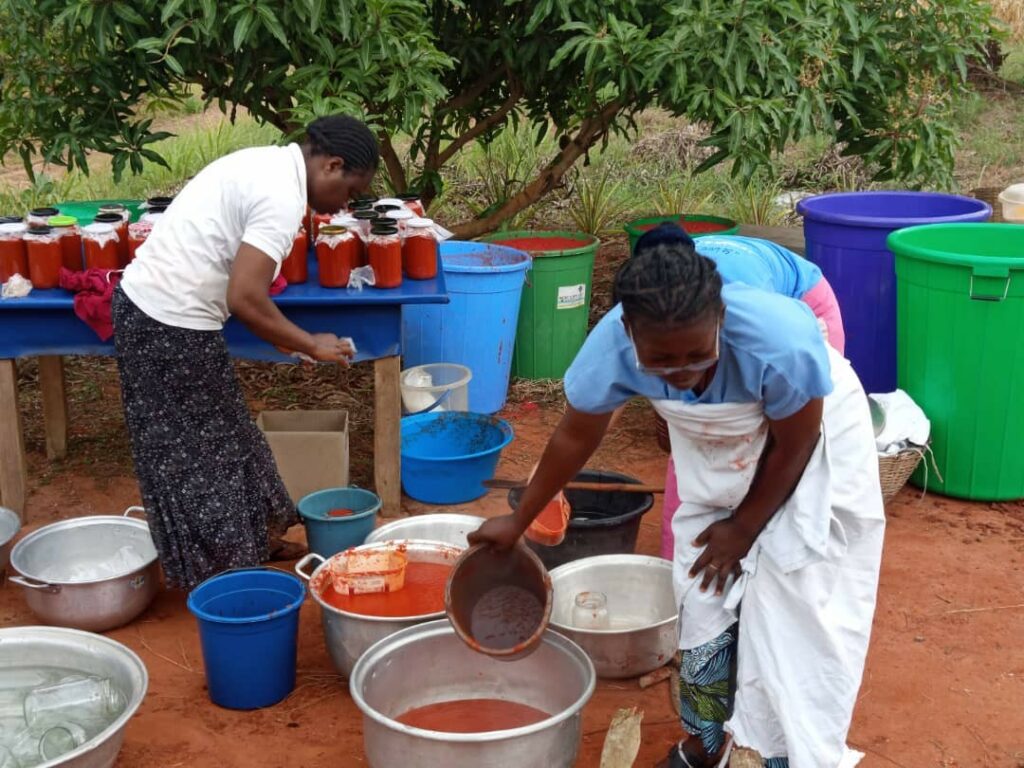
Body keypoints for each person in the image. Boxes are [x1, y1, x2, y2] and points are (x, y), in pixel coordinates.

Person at [469, 234, 884, 767]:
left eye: (696, 355)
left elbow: (798, 441)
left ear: (720, 319)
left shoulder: (777, 341)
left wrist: (745, 527)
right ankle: (707, 740)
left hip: (806, 428)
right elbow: (575, 437)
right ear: (629, 335)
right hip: (730, 429)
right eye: (662, 362)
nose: (683, 373)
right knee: (702, 582)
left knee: (797, 587)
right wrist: (517, 519)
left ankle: (778, 751)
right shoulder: (612, 347)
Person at [113, 114, 378, 590]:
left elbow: (229, 273)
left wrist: (278, 335)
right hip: (165, 324)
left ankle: (256, 539)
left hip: (164, 314)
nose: (345, 206)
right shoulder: (281, 198)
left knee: (233, 435)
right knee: (198, 458)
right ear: (333, 165)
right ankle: (227, 576)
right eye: (351, 192)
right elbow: (245, 297)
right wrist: (309, 343)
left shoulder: (269, 163)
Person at [624, 226, 847, 560]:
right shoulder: (646, 302)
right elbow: (600, 399)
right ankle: (679, 564)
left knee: (781, 444)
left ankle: (781, 563)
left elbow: (799, 440)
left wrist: (743, 528)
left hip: (803, 305)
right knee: (691, 447)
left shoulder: (766, 326)